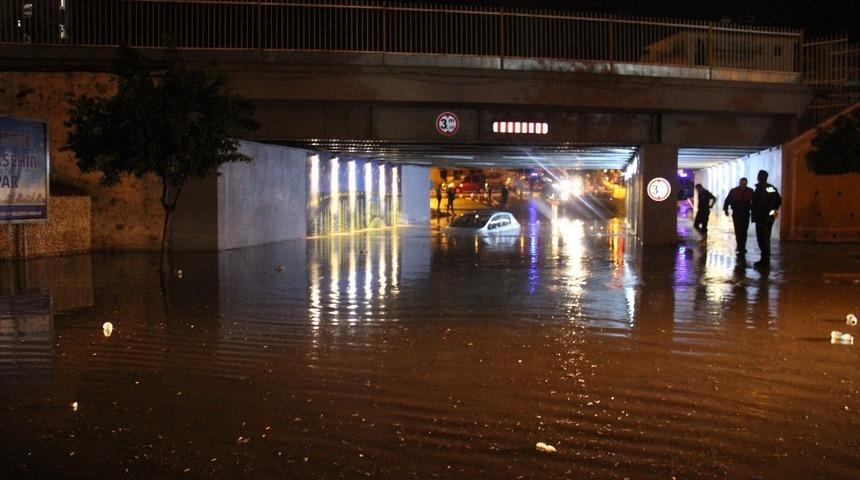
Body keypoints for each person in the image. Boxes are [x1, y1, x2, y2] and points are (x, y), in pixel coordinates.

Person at [751, 170, 782, 268]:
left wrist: (770, 213)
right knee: (764, 238)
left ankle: (765, 261)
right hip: (765, 217)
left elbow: (776, 200)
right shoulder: (767, 188)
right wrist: (772, 212)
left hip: (763, 217)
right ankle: (764, 259)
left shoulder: (765, 188)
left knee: (763, 239)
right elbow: (777, 200)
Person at [723, 177, 754, 255]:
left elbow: (754, 202)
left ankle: (742, 247)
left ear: (746, 183)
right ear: (740, 183)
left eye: (744, 183)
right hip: (737, 213)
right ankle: (740, 246)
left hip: (745, 213)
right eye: (742, 183)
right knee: (738, 230)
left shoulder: (750, 191)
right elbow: (727, 200)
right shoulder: (734, 191)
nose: (743, 184)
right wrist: (726, 209)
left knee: (744, 231)